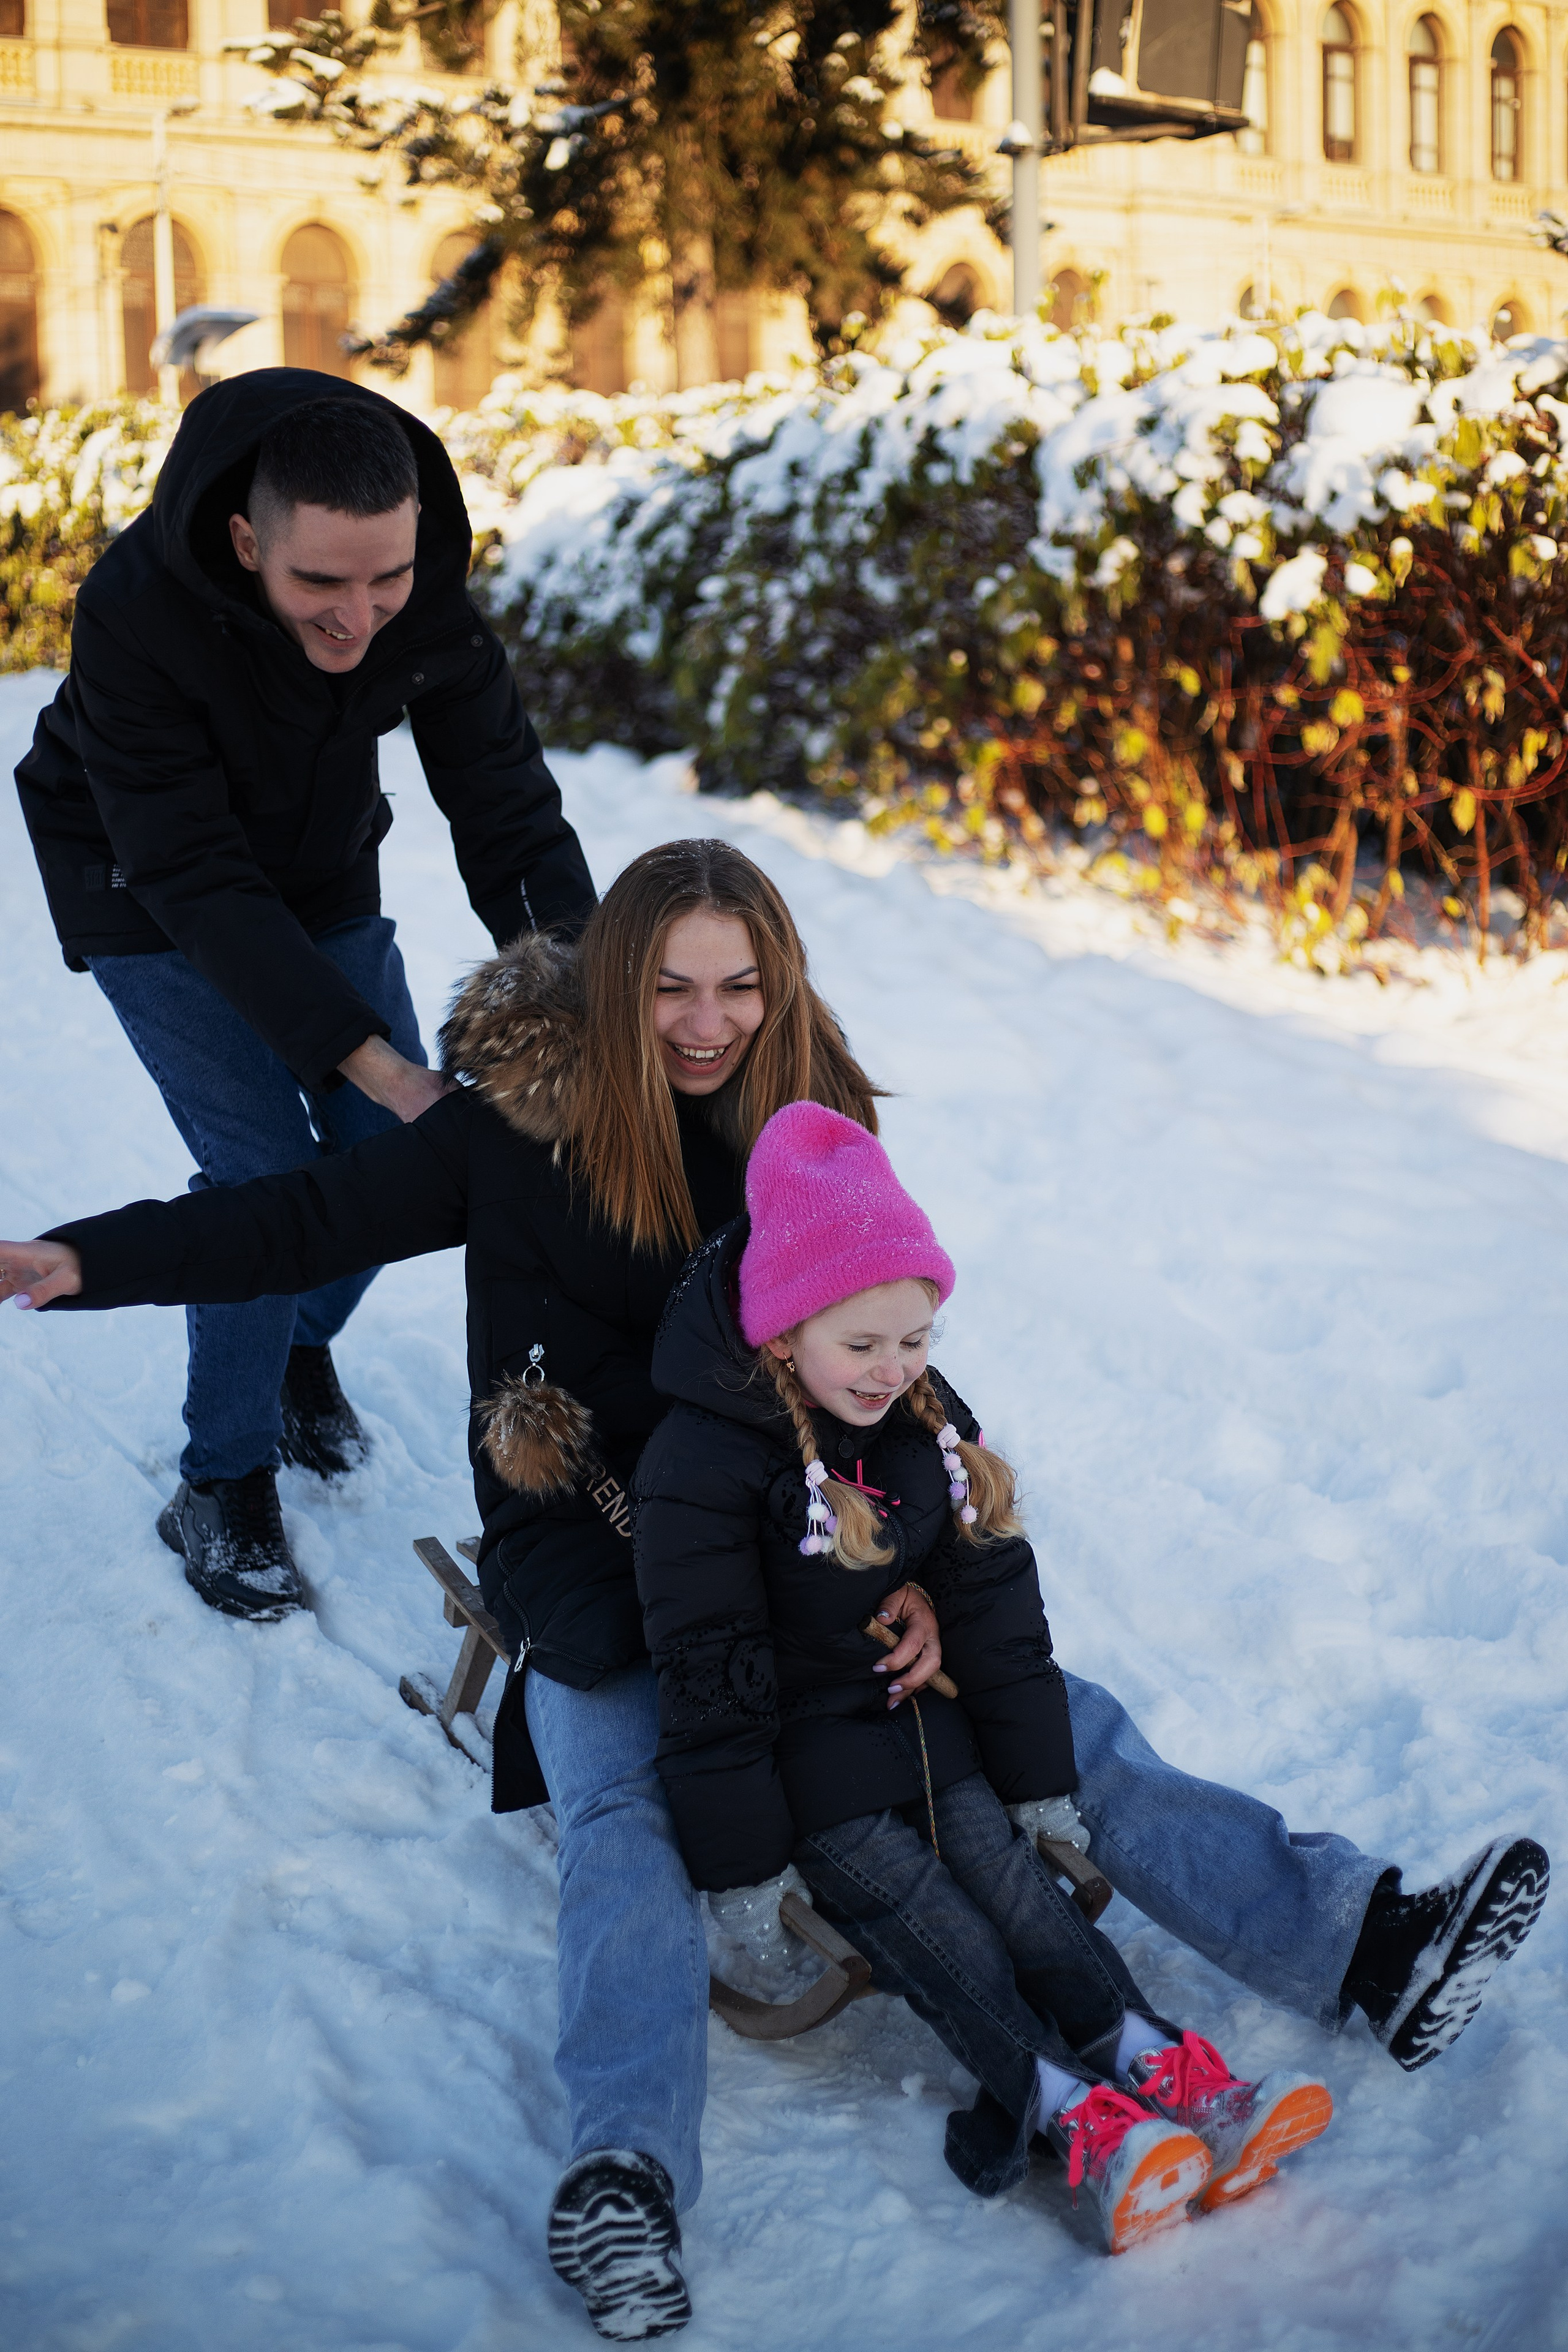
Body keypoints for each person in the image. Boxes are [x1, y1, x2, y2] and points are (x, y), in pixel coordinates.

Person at [0, 841, 1548, 2338]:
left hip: (801, 1508)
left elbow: (884, 1334)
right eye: (669, 986)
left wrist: (935, 1552)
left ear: (776, 983)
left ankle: (1364, 1943)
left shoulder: (801, 1124)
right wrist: (82, 1258)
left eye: (736, 985)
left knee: (1040, 1713)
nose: (702, 1021)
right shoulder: (513, 1135)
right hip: (590, 1532)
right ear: (614, 986)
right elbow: (297, 1219)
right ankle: (625, 2175)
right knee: (616, 1811)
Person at [636, 1101, 1335, 2264]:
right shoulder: (700, 1465)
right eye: (862, 1344)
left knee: (1017, 1888)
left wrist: (1036, 1778)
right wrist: (746, 1870)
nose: (893, 1369)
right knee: (942, 1924)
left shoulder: (916, 1413)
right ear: (782, 1328)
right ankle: (1070, 2116)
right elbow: (710, 1673)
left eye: (915, 1338)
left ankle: (1151, 2055)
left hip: (927, 1733)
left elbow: (995, 1596)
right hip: (818, 1780)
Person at [13, 367, 595, 1619]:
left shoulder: (414, 587)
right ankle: (219, 1479)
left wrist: (589, 987)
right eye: (318, 586)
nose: (358, 619)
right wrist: (376, 1060)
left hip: (319, 863)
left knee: (385, 1154)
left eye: (385, 581)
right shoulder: (137, 613)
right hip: (145, 887)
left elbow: (501, 797)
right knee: (270, 1172)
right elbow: (195, 876)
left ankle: (290, 1342)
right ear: (243, 540)